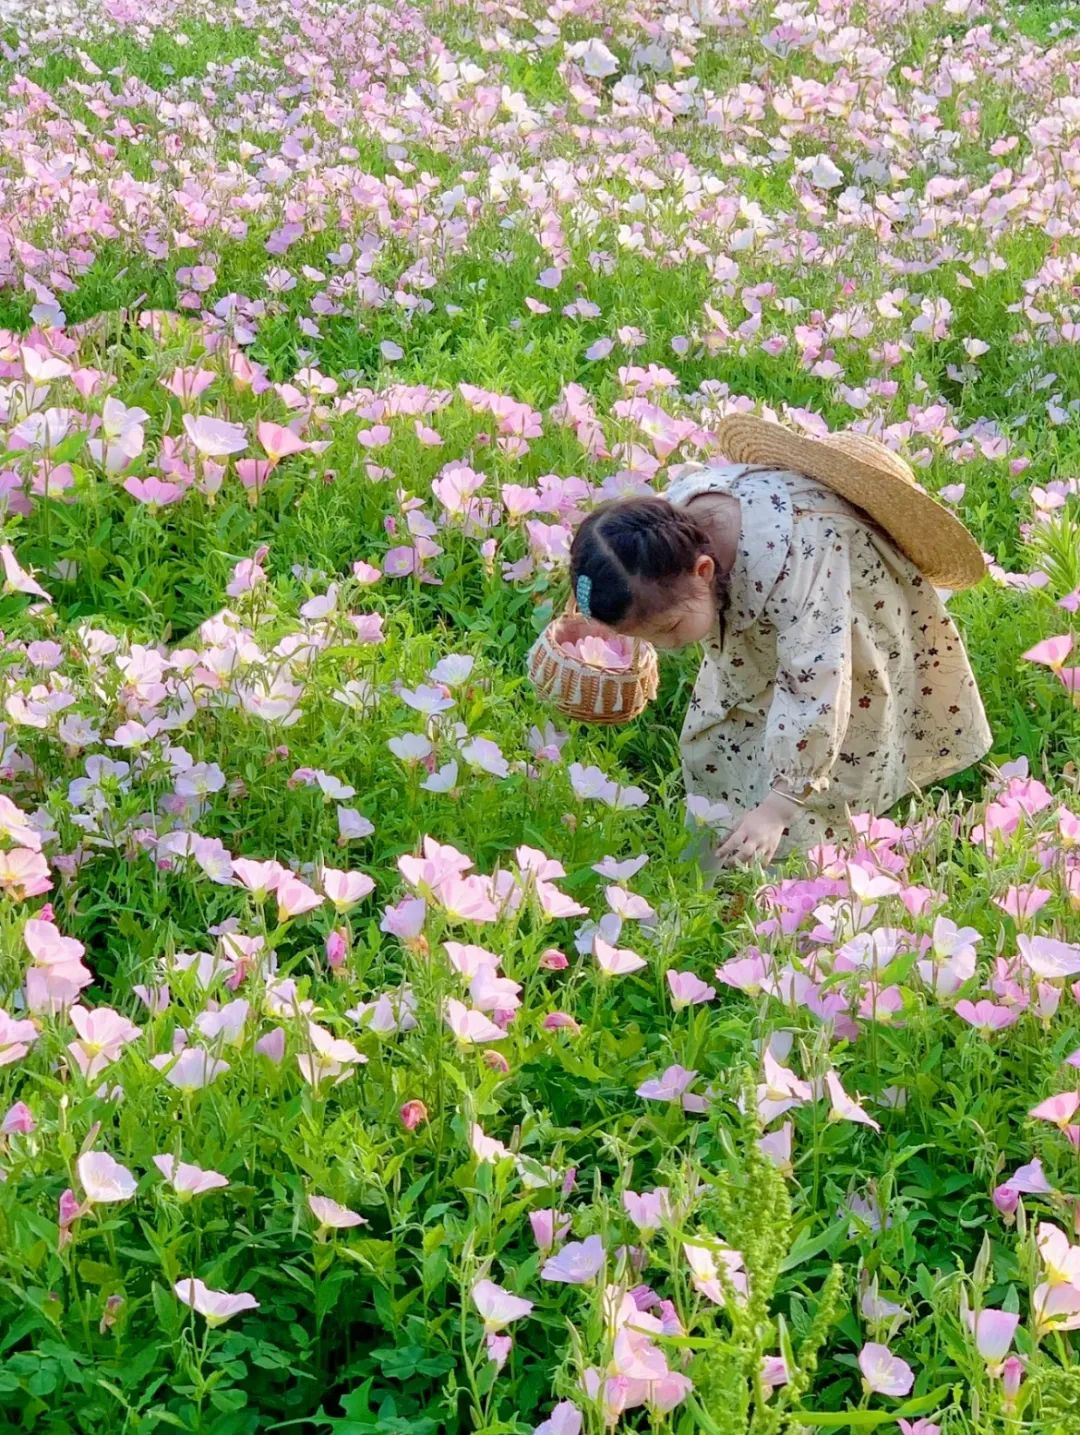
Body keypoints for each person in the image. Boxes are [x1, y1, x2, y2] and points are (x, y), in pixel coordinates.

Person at [568, 415, 992, 867]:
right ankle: (718, 865)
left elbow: (818, 685)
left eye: (669, 630)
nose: (667, 647)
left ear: (704, 572)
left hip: (843, 627)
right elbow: (608, 576)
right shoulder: (655, 539)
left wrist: (778, 808)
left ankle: (804, 883)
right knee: (718, 738)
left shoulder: (802, 558)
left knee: (832, 768)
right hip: (768, 618)